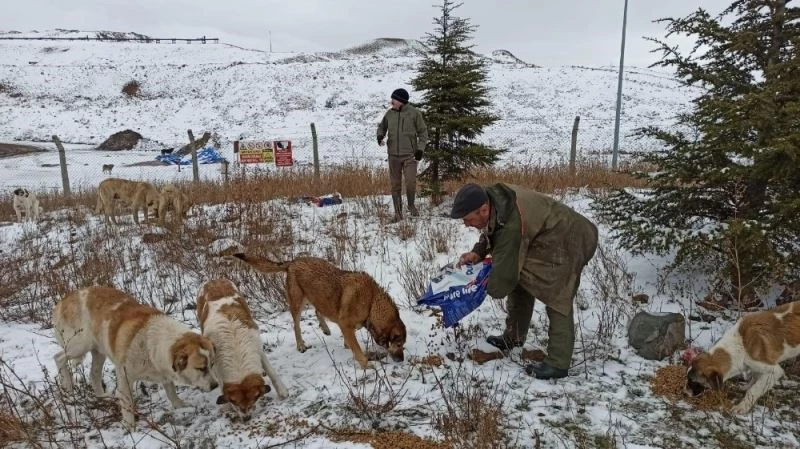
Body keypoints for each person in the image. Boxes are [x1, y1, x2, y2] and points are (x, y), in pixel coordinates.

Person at [451, 183, 598, 379]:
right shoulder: (497, 202)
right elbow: (495, 230)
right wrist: (478, 253)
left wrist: (482, 284)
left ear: (484, 210)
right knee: (519, 277)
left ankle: (557, 363)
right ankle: (514, 337)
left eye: (468, 219)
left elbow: (502, 280)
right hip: (545, 234)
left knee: (557, 295)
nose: (466, 224)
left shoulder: (511, 224)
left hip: (570, 238)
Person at [377, 88, 428, 222]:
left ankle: (411, 206)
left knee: (410, 182)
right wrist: (380, 135)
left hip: (410, 155)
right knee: (395, 185)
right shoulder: (389, 114)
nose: (391, 101)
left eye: (393, 99)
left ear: (401, 101)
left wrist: (420, 149)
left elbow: (423, 133)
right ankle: (398, 214)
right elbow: (382, 127)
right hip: (393, 155)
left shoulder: (414, 114)